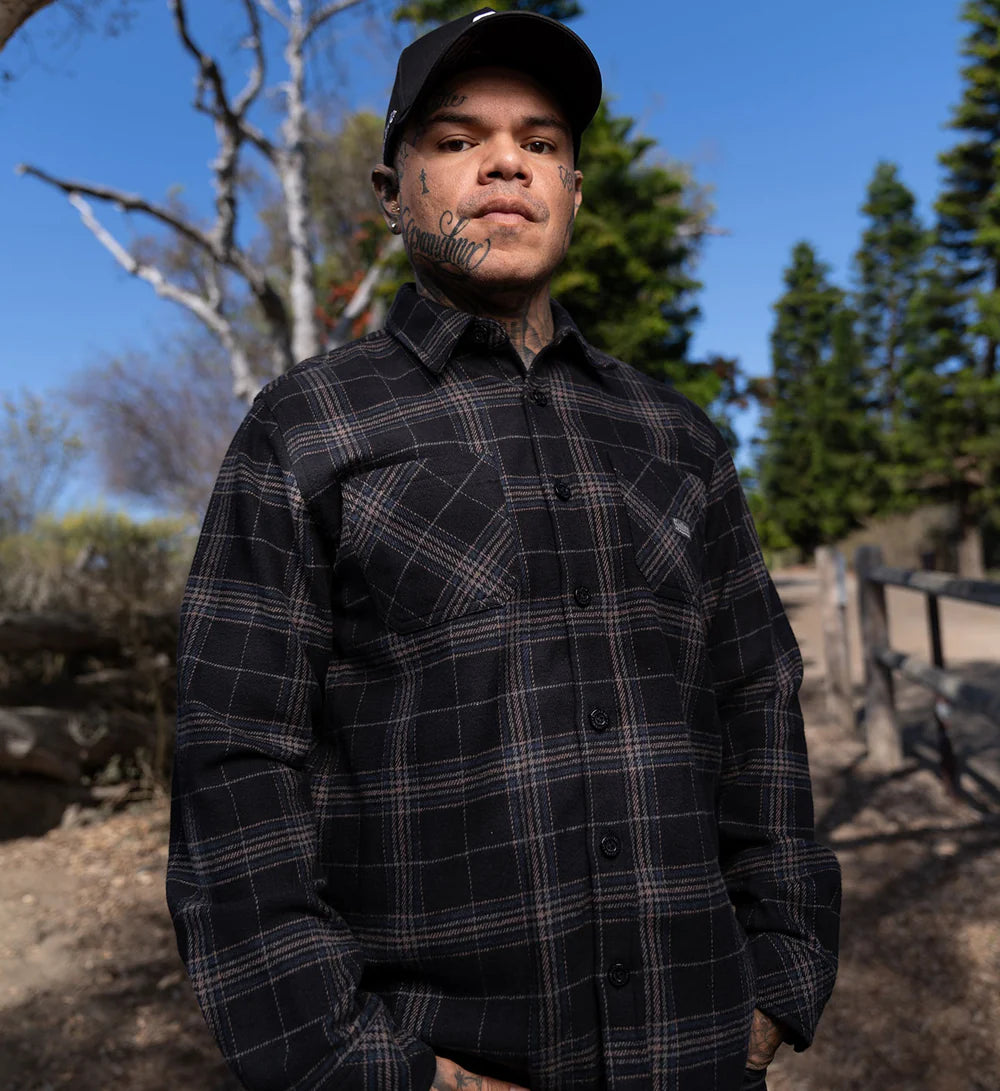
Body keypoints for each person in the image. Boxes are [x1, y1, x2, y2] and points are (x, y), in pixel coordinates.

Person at [166, 9, 841, 1091]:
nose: (505, 164)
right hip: (441, 1061)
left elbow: (758, 698)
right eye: (456, 139)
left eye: (540, 142)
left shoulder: (676, 439)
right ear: (393, 192)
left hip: (701, 1048)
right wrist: (363, 1065)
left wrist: (778, 979)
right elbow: (234, 764)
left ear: (571, 187)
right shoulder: (305, 430)